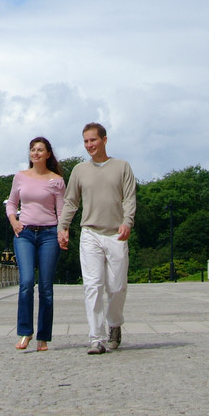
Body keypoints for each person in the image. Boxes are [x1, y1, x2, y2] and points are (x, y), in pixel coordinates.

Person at [58, 122, 137, 354]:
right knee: (93, 285)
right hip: (90, 232)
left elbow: (129, 198)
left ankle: (114, 325)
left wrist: (127, 221)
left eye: (93, 140)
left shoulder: (122, 166)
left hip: (116, 234)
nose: (89, 145)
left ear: (104, 140)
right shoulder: (79, 171)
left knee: (117, 286)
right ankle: (96, 338)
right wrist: (63, 227)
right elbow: (71, 201)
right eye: (86, 141)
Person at [6, 136, 65, 352]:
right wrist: (14, 222)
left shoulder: (56, 180)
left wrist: (62, 232)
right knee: (26, 282)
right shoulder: (21, 177)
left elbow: (61, 211)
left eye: (40, 150)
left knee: (46, 287)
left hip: (49, 233)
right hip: (25, 233)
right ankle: (25, 332)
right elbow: (12, 203)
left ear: (48, 154)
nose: (36, 153)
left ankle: (43, 337)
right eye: (33, 150)